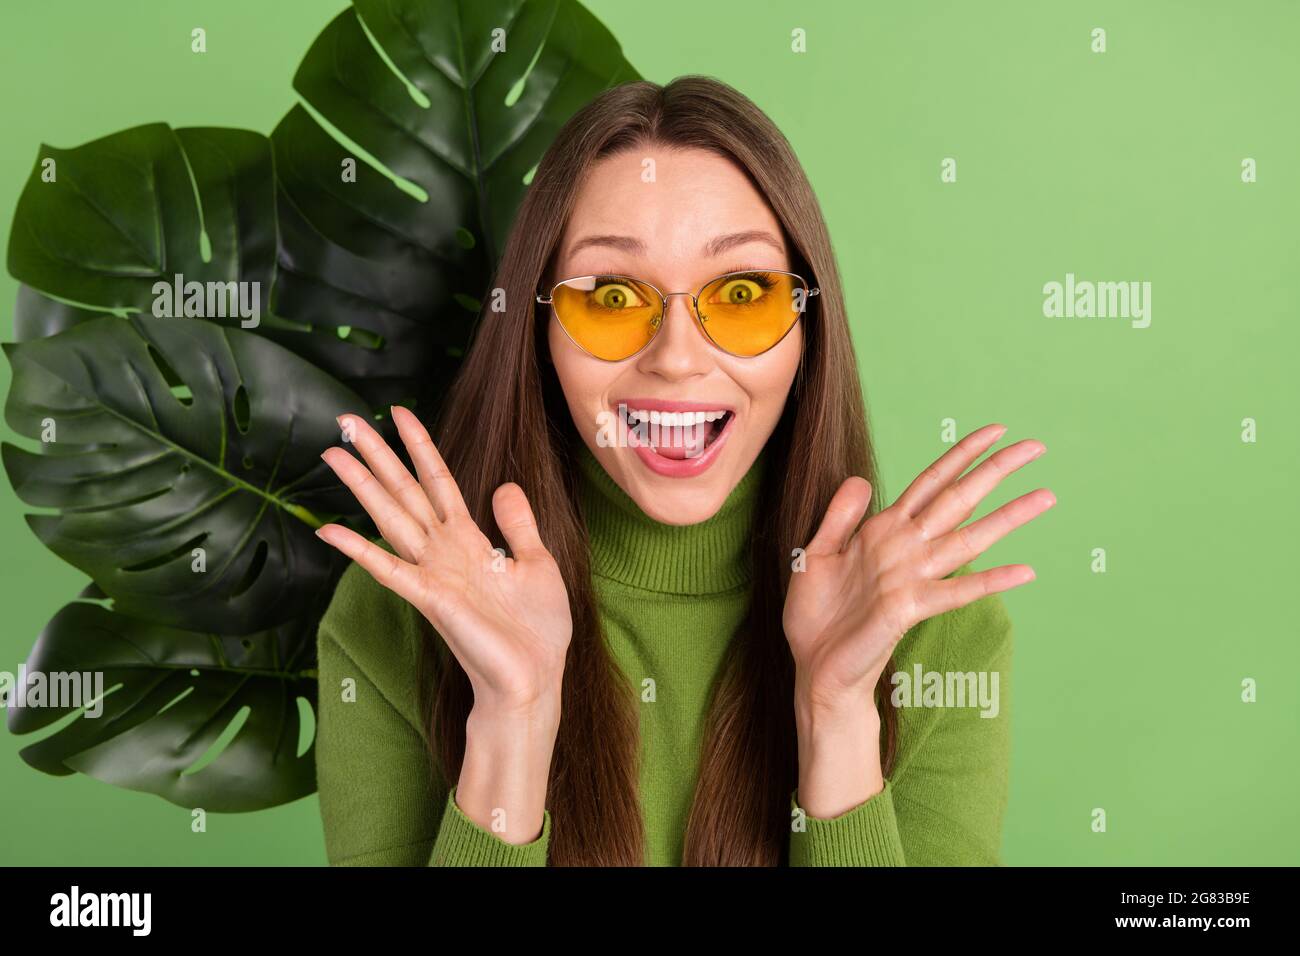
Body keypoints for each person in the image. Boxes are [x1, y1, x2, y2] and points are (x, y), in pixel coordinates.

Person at [313, 75, 1054, 866]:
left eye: (741, 292)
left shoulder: (928, 623)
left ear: (808, 327)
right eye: (609, 296)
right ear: (537, 332)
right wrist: (512, 720)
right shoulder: (409, 610)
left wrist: (837, 715)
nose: (675, 358)